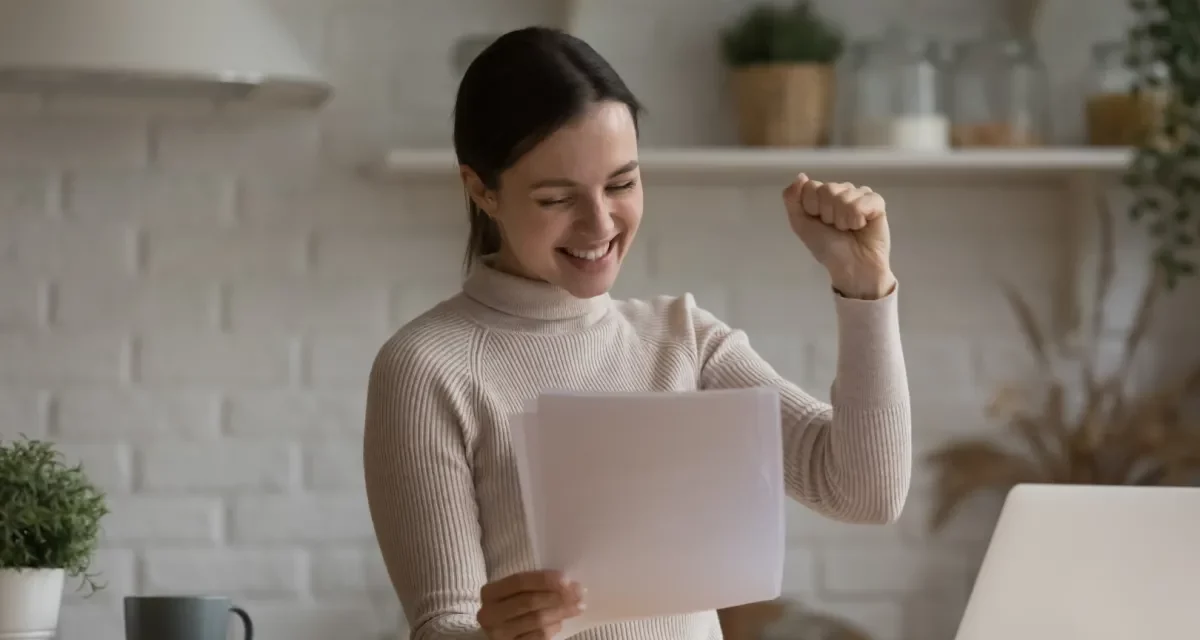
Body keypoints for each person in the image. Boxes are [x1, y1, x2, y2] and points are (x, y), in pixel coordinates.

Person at [363, 26, 911, 640]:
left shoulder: (684, 341)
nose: (600, 223)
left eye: (621, 184)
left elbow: (866, 492)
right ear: (481, 189)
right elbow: (443, 625)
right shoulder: (428, 366)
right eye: (555, 198)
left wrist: (864, 286)